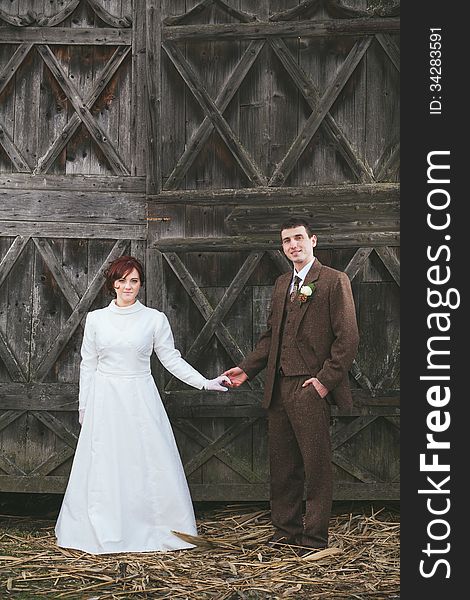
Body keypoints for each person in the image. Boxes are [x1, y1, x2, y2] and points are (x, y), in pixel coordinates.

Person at [55, 256, 229, 554]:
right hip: (105, 399)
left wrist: (205, 381)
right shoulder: (96, 319)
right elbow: (88, 364)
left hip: (140, 398)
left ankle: (149, 528)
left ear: (141, 284)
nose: (127, 286)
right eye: (121, 280)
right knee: (106, 463)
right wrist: (85, 405)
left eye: (133, 281)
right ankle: (104, 527)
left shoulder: (154, 319)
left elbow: (171, 359)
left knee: (147, 461)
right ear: (112, 284)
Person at [224, 218, 359, 552]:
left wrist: (325, 382)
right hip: (277, 388)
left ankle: (313, 540)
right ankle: (284, 534)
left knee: (315, 467)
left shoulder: (332, 280)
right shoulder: (282, 282)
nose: (293, 245)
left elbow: (348, 337)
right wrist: (246, 369)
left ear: (313, 240)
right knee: (283, 467)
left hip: (310, 388)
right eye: (286, 241)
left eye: (298, 238)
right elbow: (273, 336)